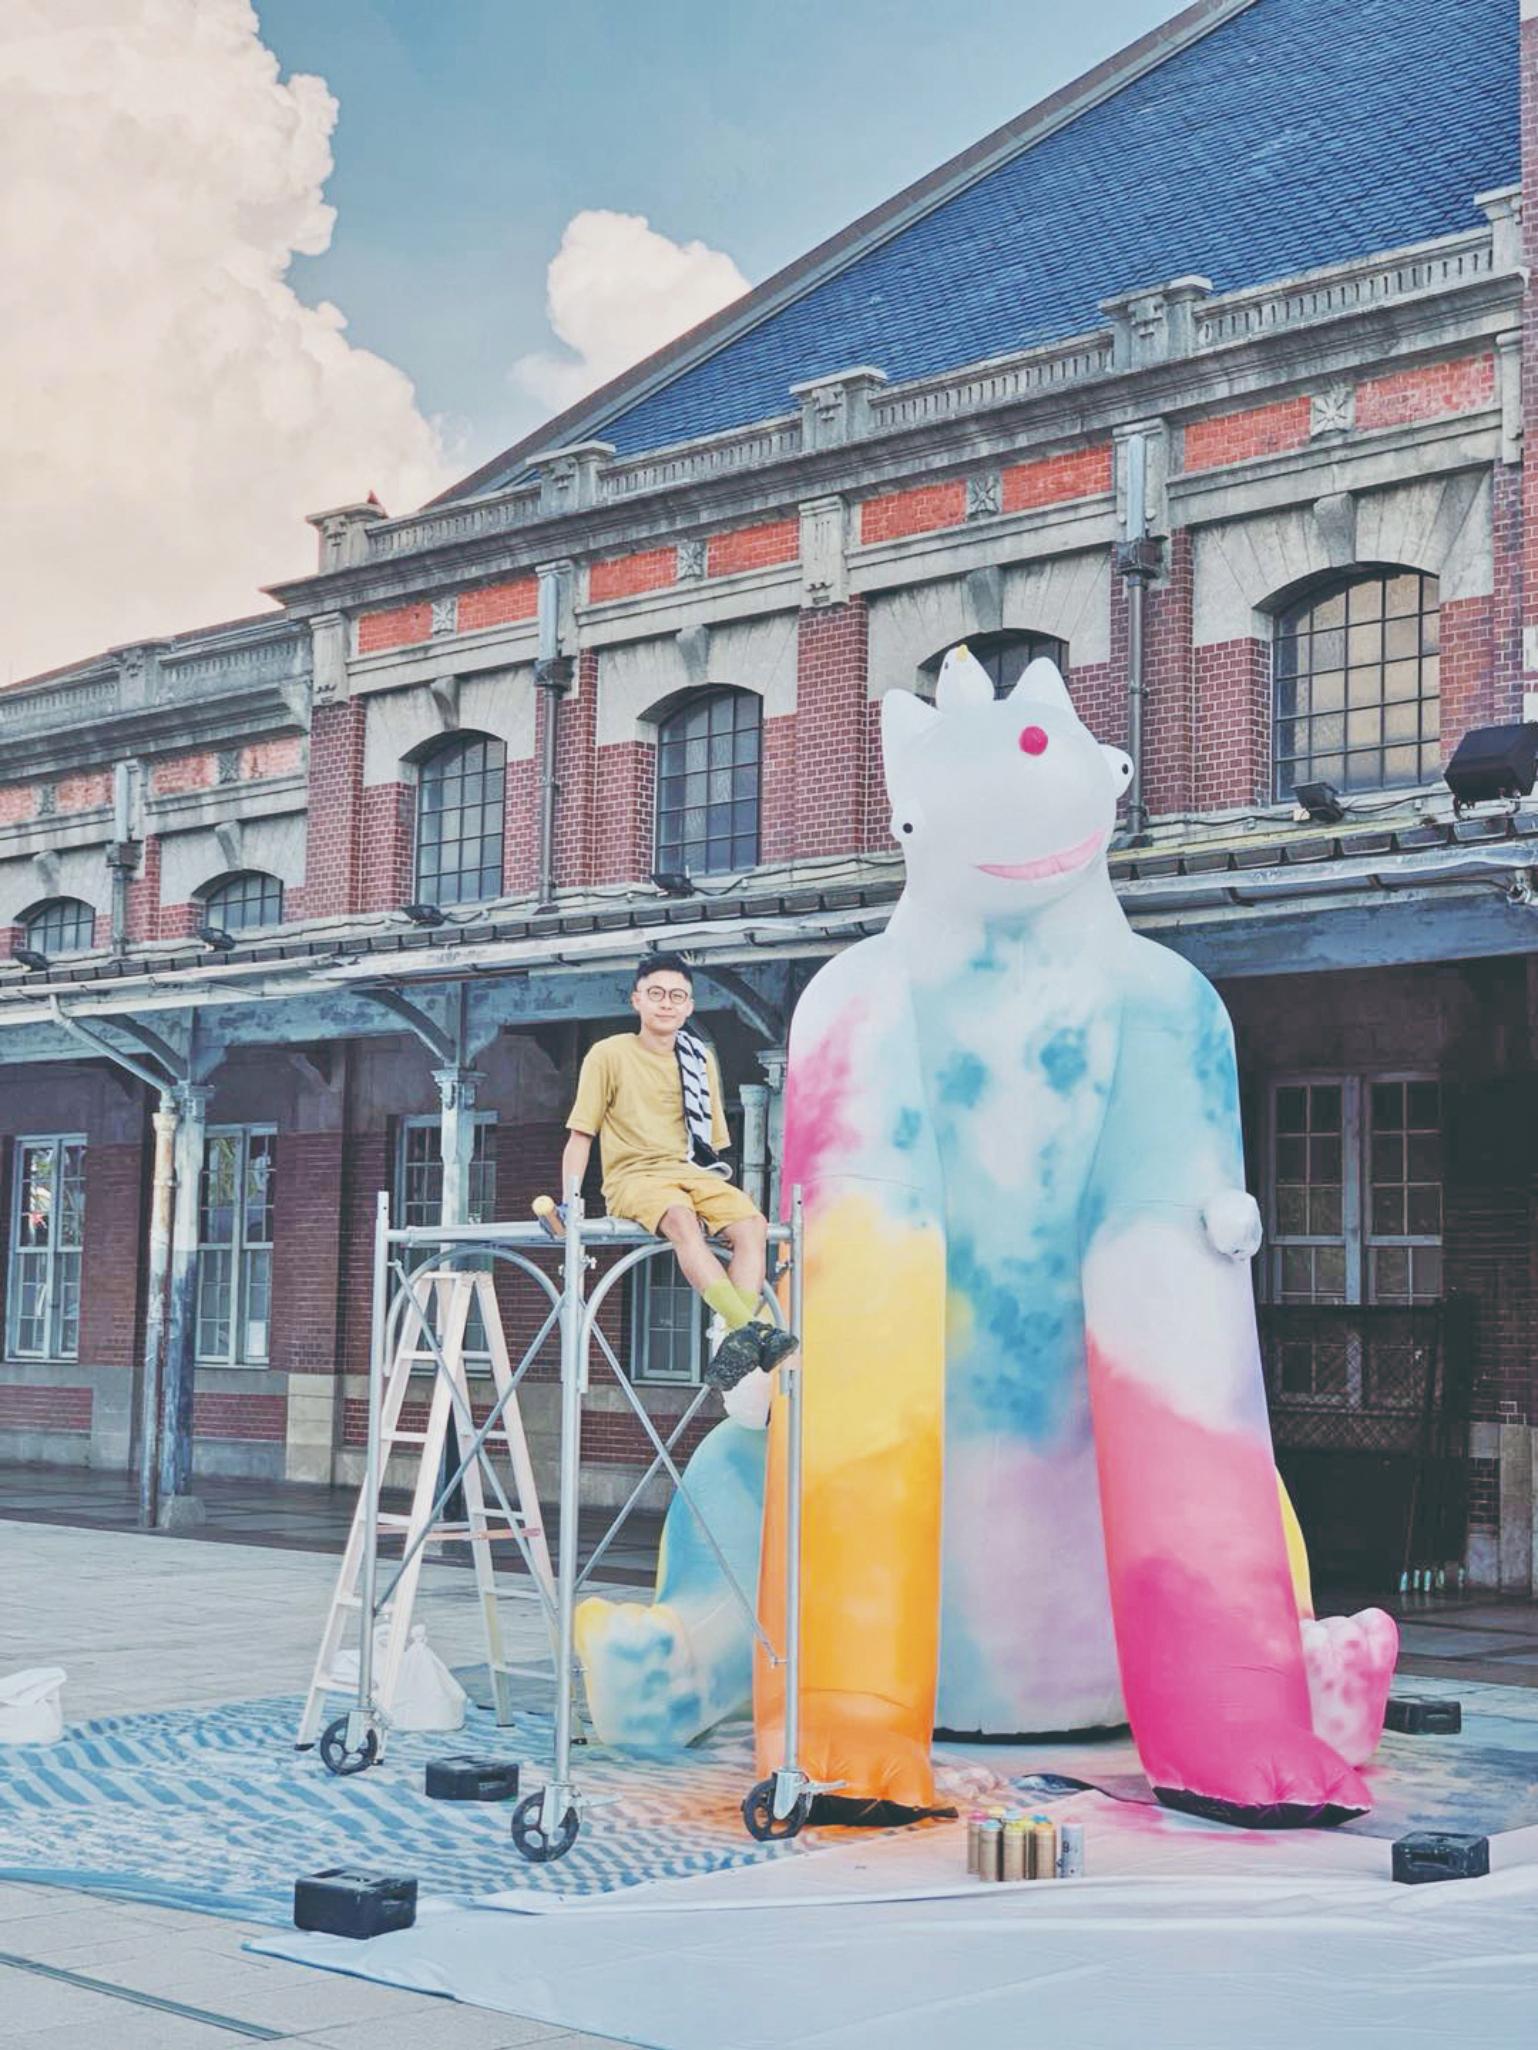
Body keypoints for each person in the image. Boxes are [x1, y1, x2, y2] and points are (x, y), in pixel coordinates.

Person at [561, 952, 797, 1387]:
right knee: (681, 1219)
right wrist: (569, 1202)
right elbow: (581, 1135)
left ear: (689, 1006)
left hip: (690, 1172)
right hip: (634, 1176)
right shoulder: (608, 1054)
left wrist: (718, 1200)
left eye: (676, 996)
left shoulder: (698, 1058)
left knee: (753, 1224)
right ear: (637, 1000)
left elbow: (711, 1146)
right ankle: (750, 1329)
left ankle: (738, 1337)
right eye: (656, 994)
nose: (666, 1003)